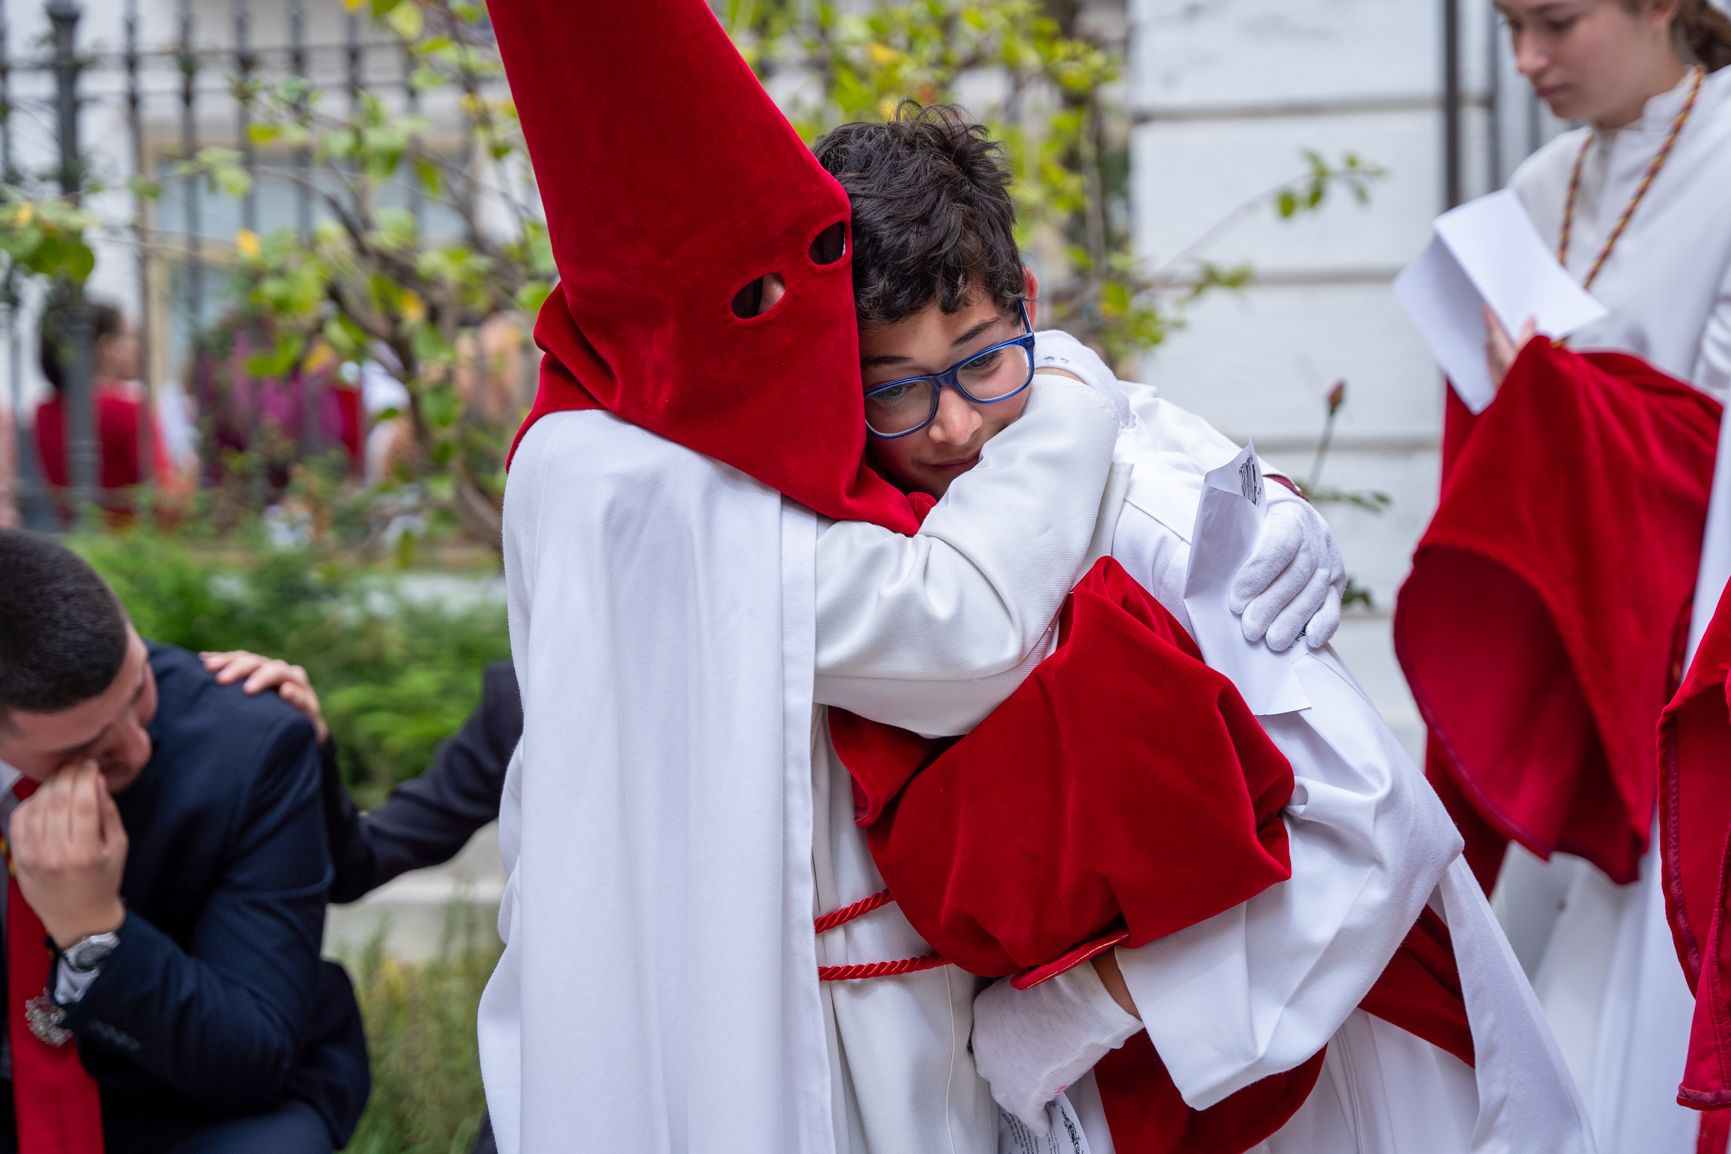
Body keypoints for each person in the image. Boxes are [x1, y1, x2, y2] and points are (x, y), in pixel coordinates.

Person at [475, 2, 1346, 1151]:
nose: (948, 424)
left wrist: (1260, 495)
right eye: (772, 301)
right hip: (799, 1019)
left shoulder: (670, 422)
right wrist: (1072, 378)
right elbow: (961, 623)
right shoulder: (657, 489)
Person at [804, 105, 1588, 1153]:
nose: (952, 424)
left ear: (1027, 308)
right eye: (895, 388)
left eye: (981, 360)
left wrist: (1068, 1014)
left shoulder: (1151, 511)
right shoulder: (900, 534)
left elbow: (1371, 825)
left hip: (1332, 1074)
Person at [1393, 4, 1731, 1152]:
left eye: (1556, 22)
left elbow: (1712, 452)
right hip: (1566, 644)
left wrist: (1550, 390)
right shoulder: (1541, 183)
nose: (1527, 60)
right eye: (1508, 25)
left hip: (1689, 643)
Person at [0, 530, 368, 1153]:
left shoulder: (251, 745)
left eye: (138, 691)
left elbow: (252, 1053)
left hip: (188, 1096)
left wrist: (93, 934)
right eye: (84, 746)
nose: (136, 746)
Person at [33, 298, 189, 519]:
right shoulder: (128, 411)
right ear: (107, 348)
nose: (139, 347)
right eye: (131, 337)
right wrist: (191, 471)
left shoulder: (43, 413)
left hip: (76, 534)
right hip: (135, 535)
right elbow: (167, 501)